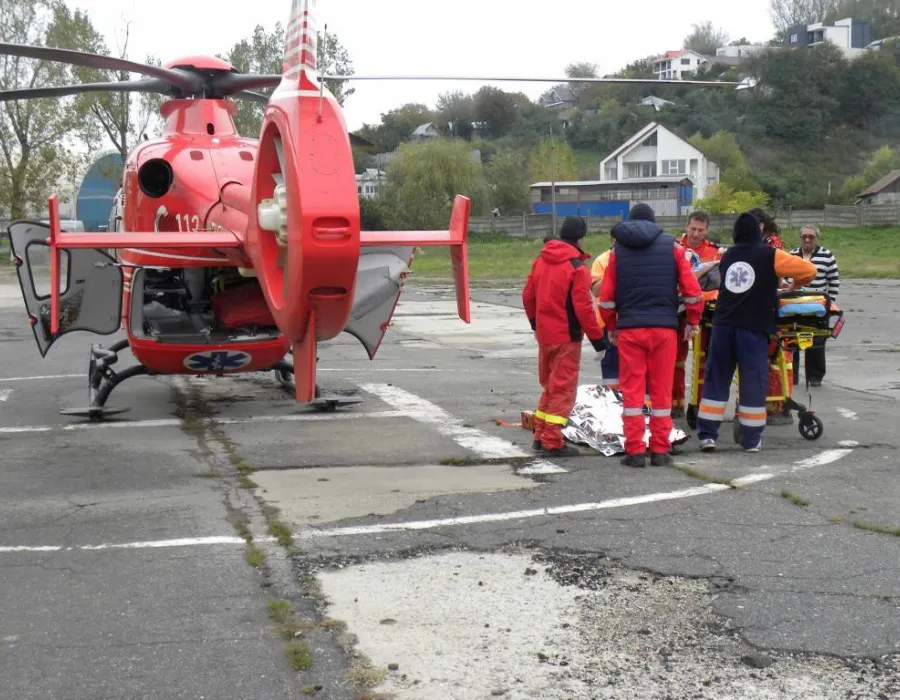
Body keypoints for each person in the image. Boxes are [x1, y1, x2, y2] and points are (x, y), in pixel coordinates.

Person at [696, 212, 817, 453]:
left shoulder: (728, 255)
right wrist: (793, 286)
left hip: (722, 325)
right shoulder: (771, 254)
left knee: (716, 379)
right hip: (752, 327)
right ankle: (751, 440)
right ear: (758, 232)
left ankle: (707, 436)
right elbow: (809, 270)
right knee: (753, 382)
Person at [597, 204, 704, 468]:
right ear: (654, 222)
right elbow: (692, 291)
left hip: (630, 329)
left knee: (632, 393)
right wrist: (692, 321)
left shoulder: (616, 253)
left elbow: (607, 298)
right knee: (661, 391)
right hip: (665, 330)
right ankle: (660, 450)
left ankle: (634, 452)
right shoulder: (673, 248)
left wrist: (612, 327)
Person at [523, 215, 607, 456]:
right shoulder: (576, 268)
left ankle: (540, 434)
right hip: (566, 338)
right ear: (581, 238)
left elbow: (528, 295)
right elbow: (583, 308)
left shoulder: (540, 261)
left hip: (545, 335)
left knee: (549, 386)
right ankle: (551, 441)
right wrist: (598, 341)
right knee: (563, 390)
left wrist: (535, 324)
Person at [673, 210, 725, 418]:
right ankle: (675, 403)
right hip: (679, 310)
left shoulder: (715, 253)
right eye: (692, 229)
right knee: (676, 359)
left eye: (700, 230)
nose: (695, 234)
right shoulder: (674, 247)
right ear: (686, 227)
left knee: (705, 360)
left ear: (707, 230)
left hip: (707, 314)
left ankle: (702, 404)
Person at [747, 207, 794, 424]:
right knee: (768, 358)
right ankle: (767, 404)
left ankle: (778, 407)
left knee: (776, 357)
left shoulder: (772, 246)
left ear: (760, 226)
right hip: (763, 305)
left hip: (772, 307)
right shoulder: (762, 245)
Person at [789, 224, 840, 386]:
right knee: (791, 342)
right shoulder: (791, 256)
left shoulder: (827, 256)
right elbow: (783, 277)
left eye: (811, 236)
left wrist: (829, 304)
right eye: (804, 236)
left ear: (817, 238)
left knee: (817, 342)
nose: (807, 239)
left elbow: (834, 282)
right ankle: (792, 376)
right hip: (794, 307)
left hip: (818, 308)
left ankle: (815, 377)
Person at [590, 228, 619, 391]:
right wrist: (614, 269)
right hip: (607, 323)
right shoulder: (602, 261)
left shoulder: (636, 258)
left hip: (631, 323)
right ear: (611, 241)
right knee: (611, 371)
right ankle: (612, 402)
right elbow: (596, 290)